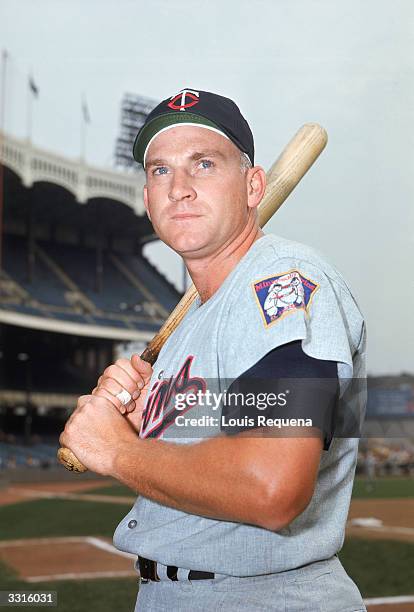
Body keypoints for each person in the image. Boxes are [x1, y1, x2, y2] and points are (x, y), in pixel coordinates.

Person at [60, 88, 367, 611]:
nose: (178, 187)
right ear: (146, 198)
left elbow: (270, 485)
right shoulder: (197, 320)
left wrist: (117, 450)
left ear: (253, 186)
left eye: (203, 164)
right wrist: (140, 421)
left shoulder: (279, 281)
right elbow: (220, 441)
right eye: (160, 170)